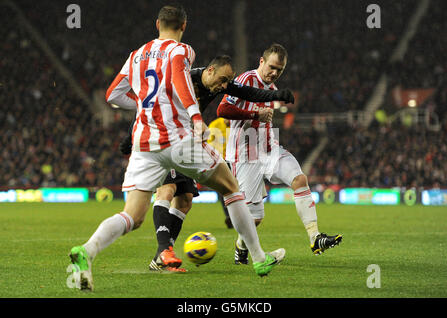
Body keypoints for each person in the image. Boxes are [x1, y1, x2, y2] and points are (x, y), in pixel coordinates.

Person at [68, 4, 285, 291]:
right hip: (176, 136)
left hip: (144, 142)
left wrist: (144, 108)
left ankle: (88, 250)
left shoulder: (135, 56)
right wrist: (195, 117)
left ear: (157, 23)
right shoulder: (181, 51)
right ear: (183, 26)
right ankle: (258, 258)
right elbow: (179, 80)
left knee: (133, 215)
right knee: (231, 187)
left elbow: (113, 95)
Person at [119, 55, 294, 273]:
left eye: (227, 82)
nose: (223, 86)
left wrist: (275, 94)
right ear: (210, 70)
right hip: (164, 139)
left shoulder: (218, 84)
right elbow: (149, 107)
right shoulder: (182, 79)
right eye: (222, 80)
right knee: (167, 191)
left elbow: (247, 92)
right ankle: (164, 251)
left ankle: (161, 257)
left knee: (184, 201)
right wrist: (130, 138)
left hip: (186, 143)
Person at [217, 43, 343, 265]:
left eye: (280, 70)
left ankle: (315, 238)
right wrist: (256, 113)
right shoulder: (246, 80)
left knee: (299, 179)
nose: (274, 73)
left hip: (269, 148)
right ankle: (240, 246)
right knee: (254, 218)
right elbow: (223, 110)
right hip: (246, 152)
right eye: (272, 67)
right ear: (261, 62)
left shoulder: (272, 89)